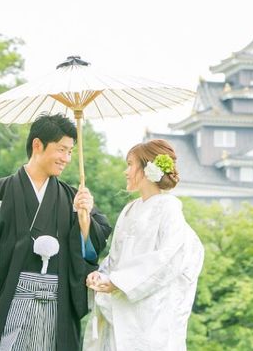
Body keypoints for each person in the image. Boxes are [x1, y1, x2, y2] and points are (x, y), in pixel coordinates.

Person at [0, 113, 112, 350]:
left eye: (70, 151)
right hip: (10, 301)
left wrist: (84, 220)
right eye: (61, 149)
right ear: (38, 145)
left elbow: (90, 253)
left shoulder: (72, 198)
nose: (67, 158)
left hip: (56, 306)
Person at [83, 139, 204, 351]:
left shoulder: (169, 208)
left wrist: (118, 282)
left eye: (130, 164)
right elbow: (115, 258)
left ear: (148, 168)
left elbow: (167, 259)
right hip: (119, 307)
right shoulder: (129, 209)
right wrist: (101, 275)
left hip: (150, 313)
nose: (126, 171)